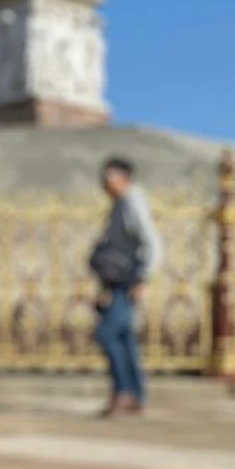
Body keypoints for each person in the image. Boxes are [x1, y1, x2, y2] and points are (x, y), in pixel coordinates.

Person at [89, 156, 163, 416]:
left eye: (110, 175)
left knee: (108, 334)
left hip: (128, 280)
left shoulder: (132, 201)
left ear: (124, 177)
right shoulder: (120, 204)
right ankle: (134, 394)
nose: (105, 181)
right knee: (124, 337)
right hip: (117, 281)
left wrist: (143, 278)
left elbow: (151, 241)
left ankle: (124, 391)